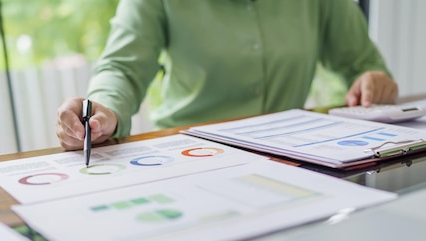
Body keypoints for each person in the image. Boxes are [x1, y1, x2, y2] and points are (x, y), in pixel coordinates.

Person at [56, 0, 398, 151]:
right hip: (189, 157)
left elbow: (363, 65)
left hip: (293, 157)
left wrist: (373, 81)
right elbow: (123, 68)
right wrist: (103, 110)